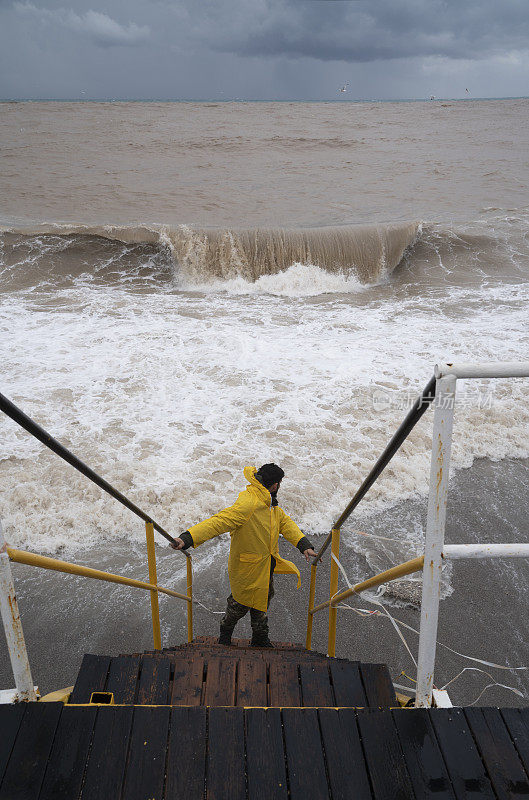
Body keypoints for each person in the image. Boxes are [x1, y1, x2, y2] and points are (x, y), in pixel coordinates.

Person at [171, 464, 316, 647]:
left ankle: (260, 640)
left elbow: (284, 522)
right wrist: (187, 538)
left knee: (261, 604)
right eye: (279, 483)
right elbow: (220, 521)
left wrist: (303, 544)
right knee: (238, 606)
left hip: (265, 566)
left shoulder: (268, 502)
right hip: (248, 569)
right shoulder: (249, 504)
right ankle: (225, 636)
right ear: (274, 485)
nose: (279, 487)